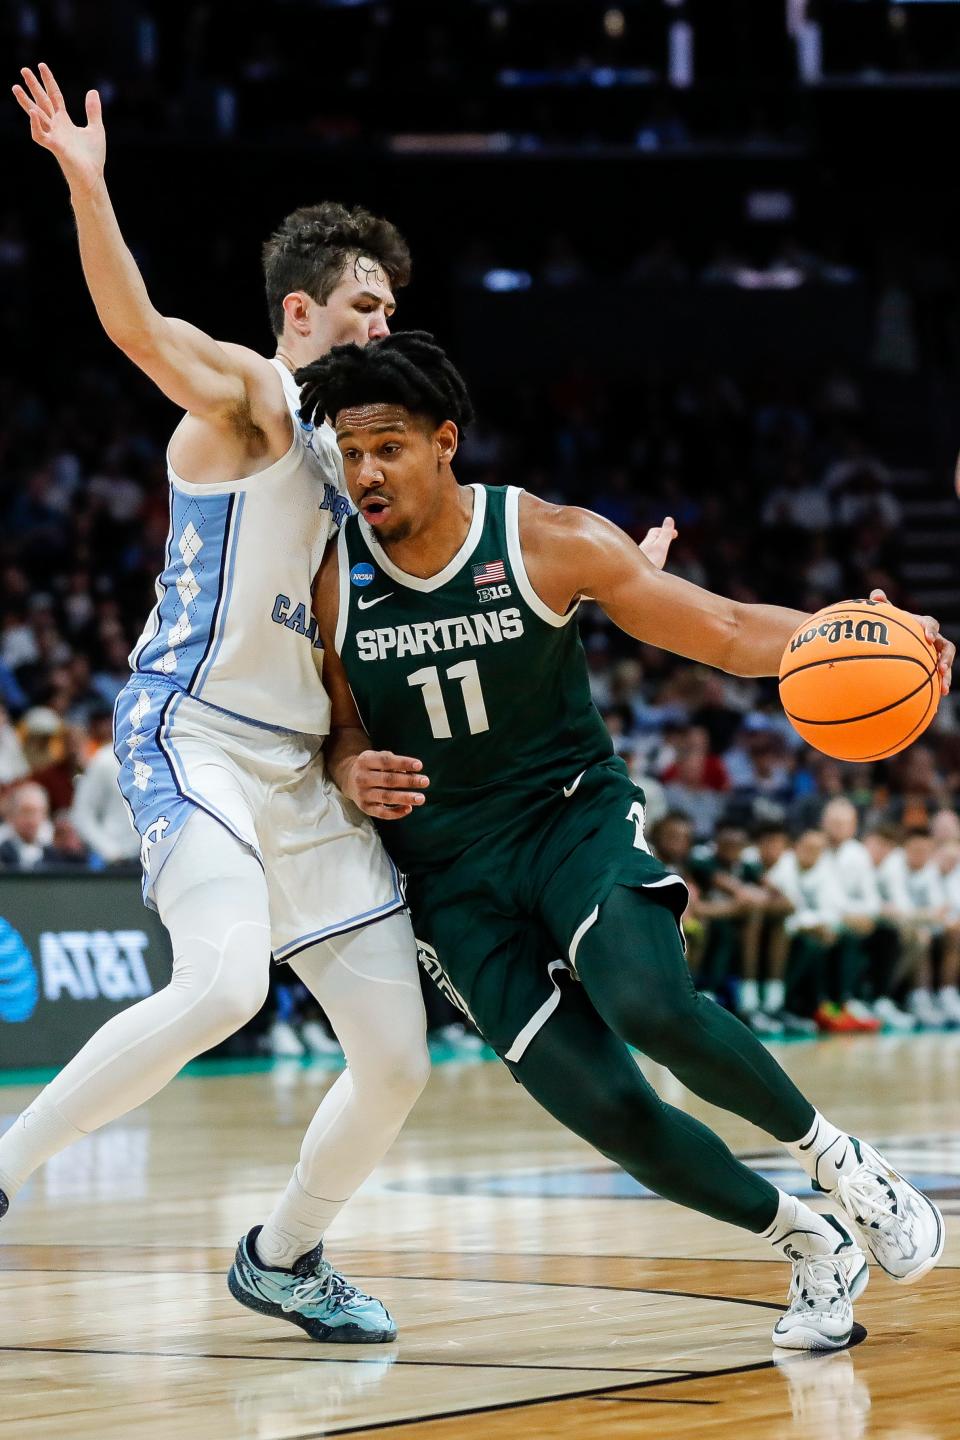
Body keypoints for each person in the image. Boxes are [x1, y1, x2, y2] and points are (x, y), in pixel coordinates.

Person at [307, 331, 951, 1352]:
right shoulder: (332, 580)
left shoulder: (549, 541)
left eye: (386, 446)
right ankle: (808, 1243)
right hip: (447, 873)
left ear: (444, 443)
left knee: (648, 999)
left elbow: (732, 630)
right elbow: (341, 717)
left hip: (567, 816)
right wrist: (350, 763)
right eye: (348, 454)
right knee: (602, 1106)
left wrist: (868, 634)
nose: (365, 472)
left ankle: (843, 1165)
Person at [2, 62, 430, 1344]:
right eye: (365, 306)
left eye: (395, 307)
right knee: (225, 986)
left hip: (298, 771)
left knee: (398, 1058)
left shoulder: (361, 469)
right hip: (188, 733)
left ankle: (286, 1254)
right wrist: (89, 186)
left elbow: (361, 639)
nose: (383, 324)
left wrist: (355, 753)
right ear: (303, 311)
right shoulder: (252, 395)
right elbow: (139, 329)